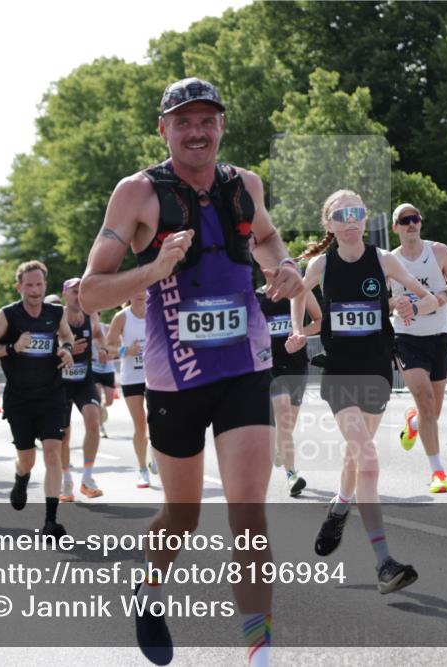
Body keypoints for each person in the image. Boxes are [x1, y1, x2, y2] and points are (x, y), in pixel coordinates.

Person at [79, 77, 304, 667]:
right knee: (182, 517)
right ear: (164, 128)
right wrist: (152, 271)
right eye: (184, 121)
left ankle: (260, 654)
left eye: (207, 120)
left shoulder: (244, 185)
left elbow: (270, 240)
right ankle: (148, 589)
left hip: (244, 366)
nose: (197, 131)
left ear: (221, 126)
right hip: (175, 377)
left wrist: (284, 269)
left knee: (249, 513)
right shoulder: (137, 194)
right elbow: (90, 293)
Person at [289, 189, 438, 596]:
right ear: (330, 225)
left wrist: (409, 306)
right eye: (342, 214)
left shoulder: (383, 259)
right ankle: (384, 563)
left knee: (358, 454)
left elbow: (430, 300)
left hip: (377, 373)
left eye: (357, 212)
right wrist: (298, 330)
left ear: (364, 218)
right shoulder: (322, 264)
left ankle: (340, 506)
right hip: (339, 375)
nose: (351, 219)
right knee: (369, 459)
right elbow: (298, 294)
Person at [0, 260, 75, 538]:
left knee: (53, 453)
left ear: (45, 285)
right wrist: (12, 347)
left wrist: (67, 349)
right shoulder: (8, 314)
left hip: (52, 395)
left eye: (39, 284)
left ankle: (50, 521)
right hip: (20, 399)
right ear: (19, 286)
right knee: (28, 460)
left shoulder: (56, 312)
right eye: (29, 285)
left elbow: (66, 336)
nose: (34, 290)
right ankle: (21, 477)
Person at [387, 202, 447, 493]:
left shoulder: (439, 252)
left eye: (415, 218)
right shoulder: (389, 260)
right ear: (395, 227)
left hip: (438, 335)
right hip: (406, 338)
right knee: (423, 397)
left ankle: (414, 422)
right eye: (405, 220)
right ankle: (438, 472)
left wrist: (443, 295)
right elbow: (381, 302)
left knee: (433, 409)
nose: (411, 223)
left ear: (420, 223)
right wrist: (397, 303)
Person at [256, 286, 322, 497]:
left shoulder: (300, 290)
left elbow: (320, 320)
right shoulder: (257, 297)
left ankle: (279, 450)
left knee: (289, 424)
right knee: (283, 415)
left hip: (296, 366)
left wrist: (299, 333)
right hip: (270, 367)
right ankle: (291, 474)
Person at [58, 277, 107, 502]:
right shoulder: (58, 317)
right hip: (61, 382)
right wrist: (65, 348)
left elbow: (97, 333)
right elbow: (49, 346)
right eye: (74, 291)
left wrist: (103, 347)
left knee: (94, 421)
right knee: (64, 435)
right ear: (65, 295)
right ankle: (66, 479)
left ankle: (87, 478)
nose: (78, 295)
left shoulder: (91, 314)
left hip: (84, 380)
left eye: (81, 291)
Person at [105, 291, 156, 488]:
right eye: (136, 290)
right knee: (140, 426)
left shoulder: (155, 311)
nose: (140, 294)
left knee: (158, 423)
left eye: (144, 290)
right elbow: (107, 348)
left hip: (156, 376)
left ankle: (155, 453)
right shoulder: (122, 317)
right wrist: (127, 351)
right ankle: (142, 470)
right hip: (132, 378)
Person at [92, 317, 118, 439]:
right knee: (96, 398)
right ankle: (101, 428)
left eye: (96, 314)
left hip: (108, 369)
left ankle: (103, 407)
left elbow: (116, 347)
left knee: (109, 401)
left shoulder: (107, 328)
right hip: (93, 369)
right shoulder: (86, 328)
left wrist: (109, 355)